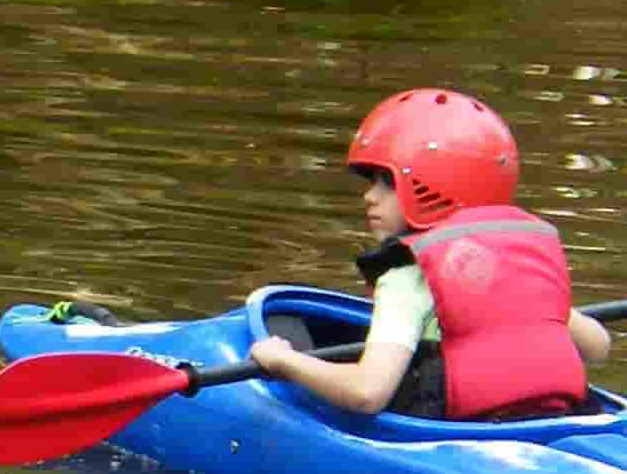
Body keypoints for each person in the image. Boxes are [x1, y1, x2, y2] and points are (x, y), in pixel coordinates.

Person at [249, 88, 609, 420]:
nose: (369, 197)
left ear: (434, 187)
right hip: (554, 416)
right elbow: (597, 346)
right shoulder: (519, 261)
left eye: (386, 183)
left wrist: (284, 361)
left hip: (464, 431)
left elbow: (367, 393)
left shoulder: (407, 278)